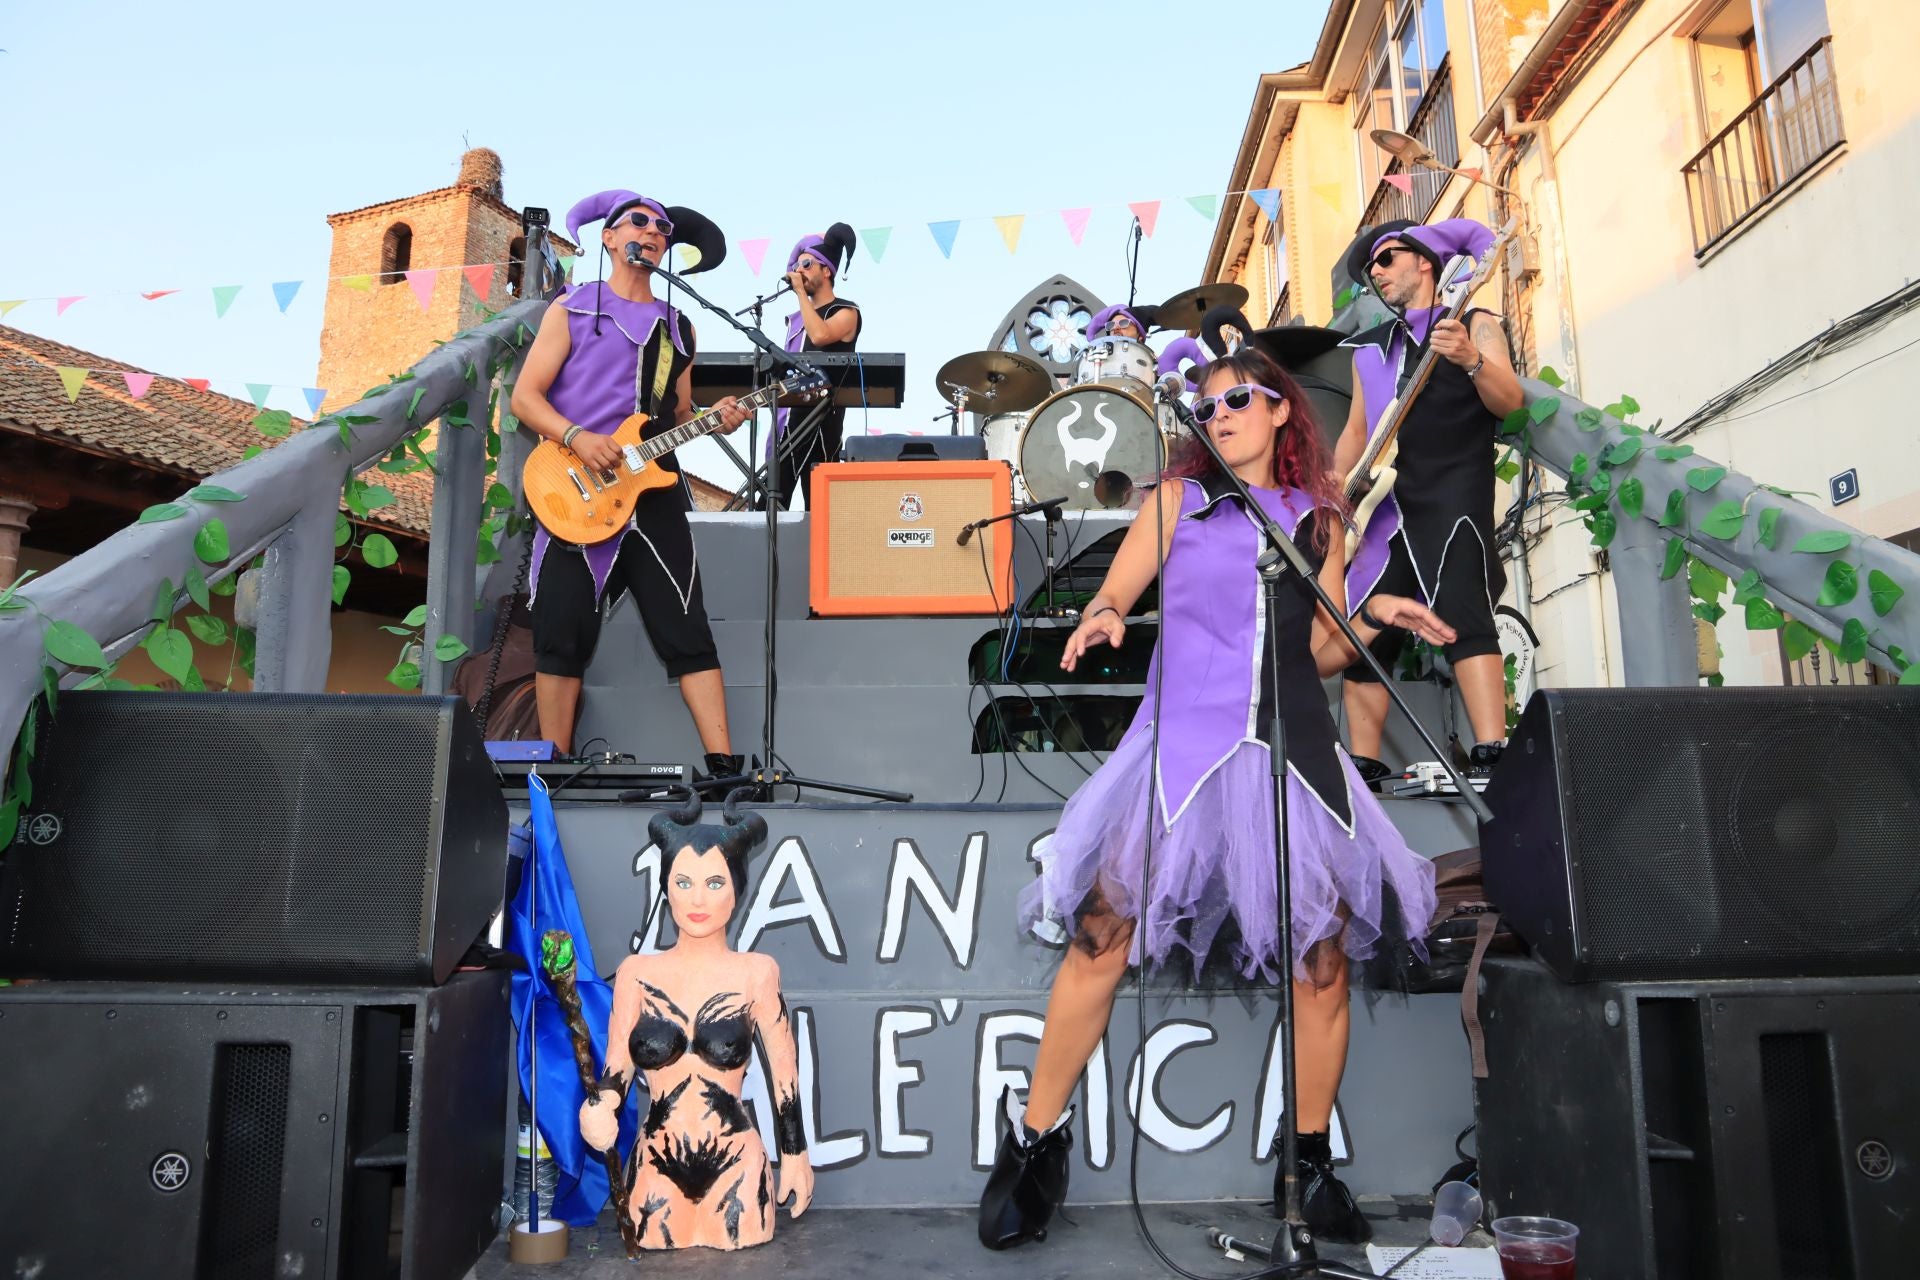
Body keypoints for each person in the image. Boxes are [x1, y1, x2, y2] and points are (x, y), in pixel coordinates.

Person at [977, 347, 1452, 1251]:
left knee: (1322, 961)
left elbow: (1322, 651)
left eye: (1241, 398)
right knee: (1100, 933)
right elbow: (1119, 590)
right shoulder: (1176, 503)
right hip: (1180, 754)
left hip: (1291, 751)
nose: (1222, 412)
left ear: (1281, 412)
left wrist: (1374, 615)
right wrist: (1105, 613)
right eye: (1209, 402)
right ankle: (1035, 1137)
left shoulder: (1318, 516)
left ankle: (1306, 1160)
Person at [510, 188, 749, 780]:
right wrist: (575, 437)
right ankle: (554, 771)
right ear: (609, 238)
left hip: (651, 495)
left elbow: (678, 416)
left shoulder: (679, 326)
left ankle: (723, 768)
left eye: (662, 229)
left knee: (687, 629)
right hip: (574, 485)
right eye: (637, 222)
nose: (652, 231)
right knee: (561, 634)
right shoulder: (572, 308)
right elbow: (524, 397)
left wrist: (716, 421)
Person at [1333, 218, 1524, 782]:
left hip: (1454, 488)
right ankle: (1363, 762)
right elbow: (1355, 430)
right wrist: (1336, 495)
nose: (1376, 272)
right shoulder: (1366, 351)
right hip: (1386, 509)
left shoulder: (1475, 322)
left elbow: (1510, 403)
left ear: (1425, 261)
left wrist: (1469, 359)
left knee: (1464, 607)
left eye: (1386, 259)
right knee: (1367, 628)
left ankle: (1492, 750)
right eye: (1371, 268)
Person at [579, 790, 814, 1250]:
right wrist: (600, 1108)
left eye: (714, 882)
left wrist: (795, 1153)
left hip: (738, 1167)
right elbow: (616, 1071)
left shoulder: (757, 973)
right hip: (654, 1168)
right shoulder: (636, 974)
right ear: (667, 887)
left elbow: (784, 1075)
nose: (697, 898)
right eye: (684, 882)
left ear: (737, 889)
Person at [770, 224, 860, 509]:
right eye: (797, 266)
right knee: (772, 501)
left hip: (824, 420)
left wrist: (799, 293)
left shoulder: (846, 311)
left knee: (819, 507)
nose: (800, 271)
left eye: (807, 264)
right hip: (792, 418)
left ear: (827, 271)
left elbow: (821, 335)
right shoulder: (802, 319)